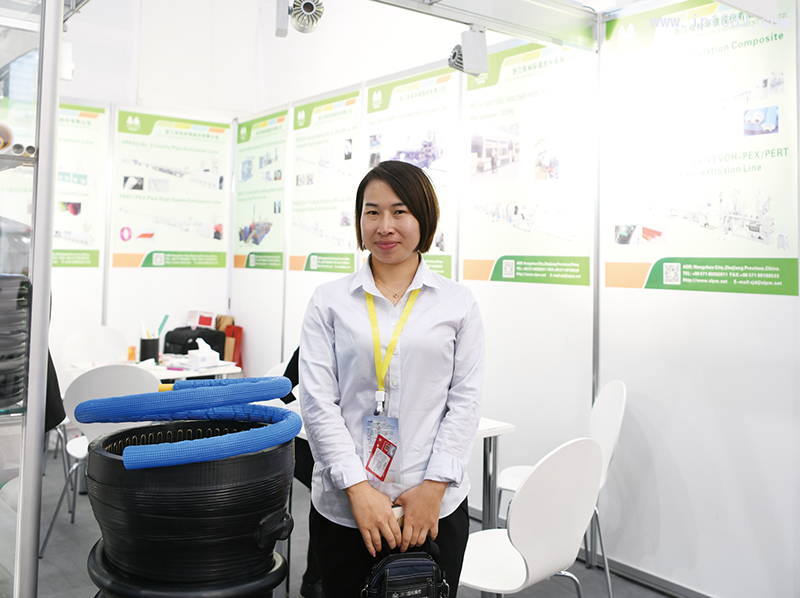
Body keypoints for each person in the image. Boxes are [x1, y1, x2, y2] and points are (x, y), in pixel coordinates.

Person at [298, 160, 485, 598]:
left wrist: (433, 488)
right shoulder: (329, 301)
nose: (385, 226)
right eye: (372, 212)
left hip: (433, 509)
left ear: (424, 218)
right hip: (348, 510)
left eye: (400, 211)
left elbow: (466, 401)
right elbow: (318, 403)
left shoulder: (457, 303)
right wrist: (358, 490)